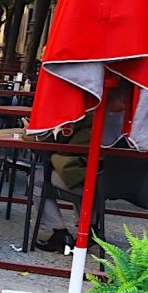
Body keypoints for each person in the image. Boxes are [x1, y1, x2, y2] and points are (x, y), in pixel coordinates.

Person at [31, 85, 128, 252]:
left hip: (94, 184)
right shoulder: (139, 126)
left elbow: (62, 146)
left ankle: (59, 232)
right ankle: (90, 230)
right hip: (127, 185)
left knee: (39, 177)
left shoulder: (92, 118)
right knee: (83, 171)